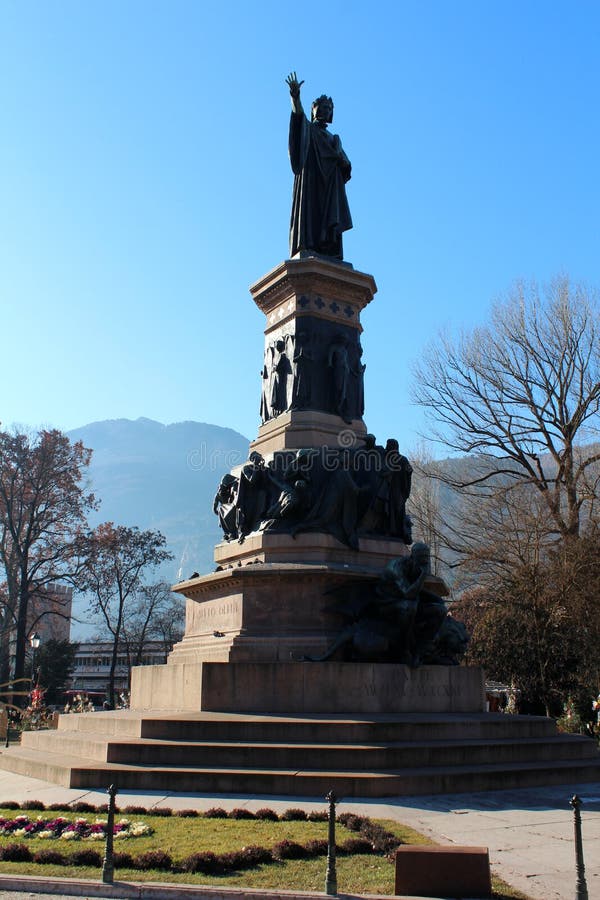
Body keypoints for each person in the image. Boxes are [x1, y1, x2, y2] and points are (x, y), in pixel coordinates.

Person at [286, 72, 352, 260]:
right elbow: (298, 116)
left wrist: (340, 158)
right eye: (322, 107)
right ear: (313, 109)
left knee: (328, 223)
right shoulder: (309, 130)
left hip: (330, 191)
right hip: (312, 185)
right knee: (310, 217)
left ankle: (328, 248)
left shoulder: (334, 139)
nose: (326, 111)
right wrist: (295, 97)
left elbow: (346, 168)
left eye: (329, 108)